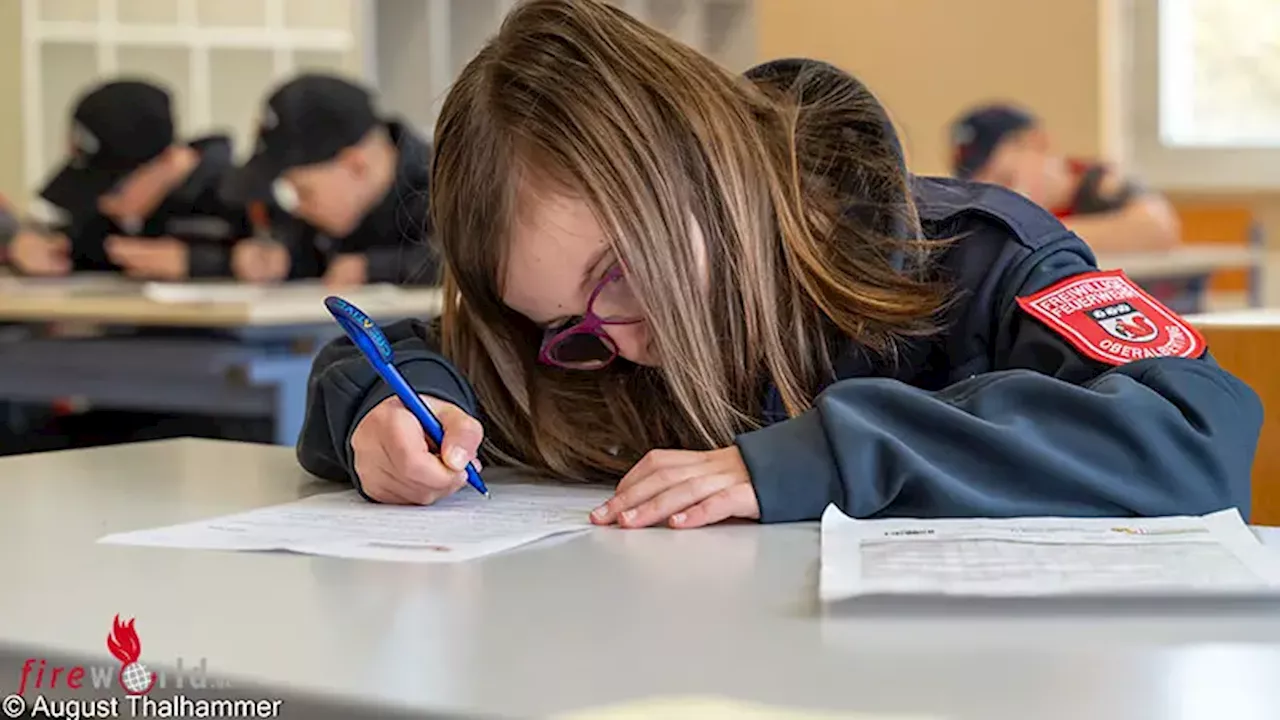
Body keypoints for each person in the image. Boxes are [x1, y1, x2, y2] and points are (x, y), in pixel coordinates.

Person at [296, 0, 1261, 529]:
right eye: (565, 325)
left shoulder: (974, 256)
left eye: (623, 272)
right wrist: (382, 411)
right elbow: (405, 352)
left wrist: (822, 458)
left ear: (707, 167)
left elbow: (1191, 427)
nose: (625, 344)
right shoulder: (591, 341)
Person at [2, 80, 249, 279]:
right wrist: (22, 246)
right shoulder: (110, 217)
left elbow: (279, 257)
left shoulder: (237, 197)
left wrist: (200, 264)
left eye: (115, 189)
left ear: (167, 162)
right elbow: (76, 242)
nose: (104, 204)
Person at [222, 74, 438, 287]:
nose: (298, 208)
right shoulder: (333, 219)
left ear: (357, 166)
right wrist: (282, 261)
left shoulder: (452, 191)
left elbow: (460, 261)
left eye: (305, 192)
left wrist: (372, 269)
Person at [950, 103, 1181, 253]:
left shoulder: (1098, 184)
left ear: (1037, 143)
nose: (996, 194)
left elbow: (1159, 227)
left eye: (1005, 179)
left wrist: (1026, 235)